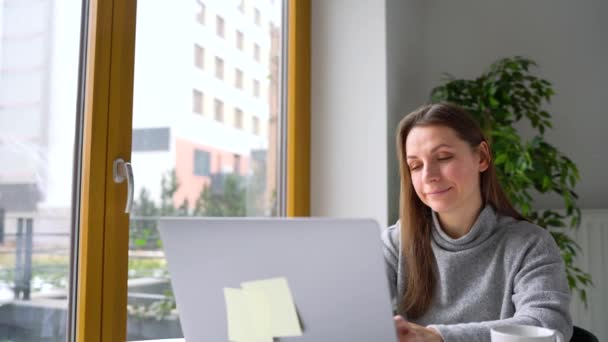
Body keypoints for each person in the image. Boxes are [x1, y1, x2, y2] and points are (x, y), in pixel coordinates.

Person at [382, 103, 572, 342]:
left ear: (482, 157)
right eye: (416, 166)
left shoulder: (530, 244)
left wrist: (438, 337)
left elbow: (547, 324)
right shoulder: (395, 242)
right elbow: (355, 312)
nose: (429, 175)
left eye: (443, 157)